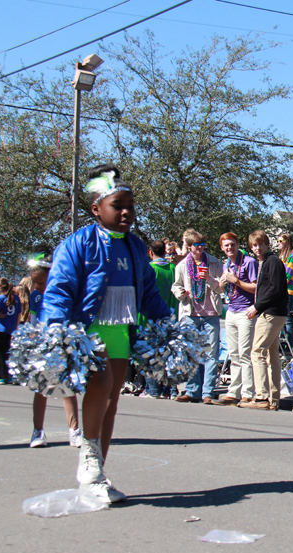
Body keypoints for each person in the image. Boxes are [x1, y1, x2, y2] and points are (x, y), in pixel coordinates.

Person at [42, 163, 173, 503]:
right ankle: (87, 452)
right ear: (96, 209)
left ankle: (97, 470)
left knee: (113, 399)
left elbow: (148, 294)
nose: (127, 212)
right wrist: (57, 326)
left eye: (131, 206)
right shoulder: (78, 243)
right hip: (89, 328)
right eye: (118, 206)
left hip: (120, 329)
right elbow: (59, 289)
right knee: (99, 383)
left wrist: (170, 323)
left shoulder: (135, 247)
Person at [26, 255, 82, 448]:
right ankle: (38, 432)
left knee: (67, 386)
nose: (36, 286)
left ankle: (74, 431)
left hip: (62, 339)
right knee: (41, 388)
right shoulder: (35, 295)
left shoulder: (64, 293)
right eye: (34, 282)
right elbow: (34, 320)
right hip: (43, 342)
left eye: (40, 282)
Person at [171, 229, 223, 405]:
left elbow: (221, 288)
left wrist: (209, 278)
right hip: (190, 314)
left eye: (202, 245)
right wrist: (181, 293)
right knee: (192, 354)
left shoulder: (214, 263)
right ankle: (193, 390)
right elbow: (175, 285)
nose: (200, 248)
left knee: (211, 355)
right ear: (189, 247)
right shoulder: (182, 266)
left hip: (211, 314)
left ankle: (207, 392)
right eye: (196, 246)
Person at [243, 230, 288, 410]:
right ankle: (273, 399)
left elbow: (275, 289)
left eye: (260, 244)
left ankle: (261, 397)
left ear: (267, 244)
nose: (257, 248)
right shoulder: (264, 263)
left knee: (257, 351)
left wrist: (257, 306)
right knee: (271, 355)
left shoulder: (273, 262)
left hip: (271, 313)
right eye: (254, 245)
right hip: (274, 312)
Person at [216, 232, 259, 405]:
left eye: (232, 244)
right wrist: (221, 284)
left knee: (244, 354)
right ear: (222, 247)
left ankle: (248, 392)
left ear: (237, 244)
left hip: (245, 313)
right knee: (233, 353)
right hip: (231, 311)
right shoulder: (227, 264)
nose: (229, 248)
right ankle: (233, 392)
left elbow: (256, 287)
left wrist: (236, 281)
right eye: (226, 245)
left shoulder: (249, 262)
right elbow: (221, 290)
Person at [141, 241, 179, 399]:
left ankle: (153, 390)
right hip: (169, 316)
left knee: (149, 354)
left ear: (150, 252)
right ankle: (170, 390)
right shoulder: (172, 268)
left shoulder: (149, 269)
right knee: (168, 354)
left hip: (150, 318)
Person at [0, 277, 20, 385]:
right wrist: (16, 328)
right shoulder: (16, 298)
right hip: (11, 328)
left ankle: (0, 375)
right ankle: (8, 375)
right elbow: (19, 314)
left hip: (1, 327)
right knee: (7, 352)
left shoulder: (0, 298)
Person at [276, 232, 293, 350]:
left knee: (288, 320)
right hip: (279, 291)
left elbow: (287, 275)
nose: (278, 244)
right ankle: (281, 345)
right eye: (278, 241)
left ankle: (289, 346)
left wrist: (277, 285)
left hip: (288, 292)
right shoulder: (280, 256)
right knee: (280, 319)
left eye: (281, 241)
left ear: (288, 242)